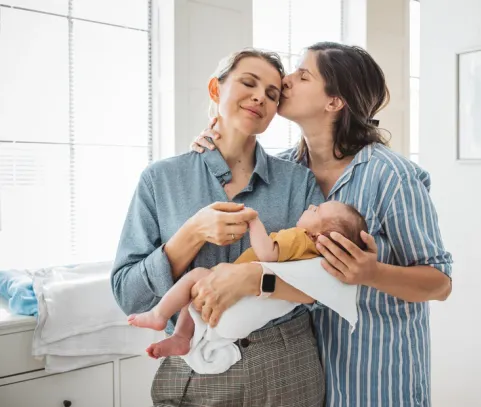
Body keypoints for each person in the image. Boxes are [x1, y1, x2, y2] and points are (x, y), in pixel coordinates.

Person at [191, 42, 453, 407]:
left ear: (334, 102)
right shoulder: (283, 172)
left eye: (303, 74)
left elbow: (440, 284)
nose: (286, 80)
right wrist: (211, 142)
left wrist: (371, 272)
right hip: (302, 378)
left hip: (378, 379)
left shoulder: (392, 177)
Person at [111, 49, 327, 407]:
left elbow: (322, 286)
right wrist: (191, 233)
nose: (261, 96)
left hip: (287, 369)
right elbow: (129, 296)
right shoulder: (160, 180)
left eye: (273, 94)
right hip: (194, 371)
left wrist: (256, 281)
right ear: (216, 89)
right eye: (248, 82)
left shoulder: (298, 182)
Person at [127, 201, 368, 360]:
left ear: (319, 236)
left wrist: (254, 223)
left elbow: (268, 254)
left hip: (240, 291)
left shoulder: (300, 238)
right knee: (194, 293)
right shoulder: (313, 257)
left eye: (318, 211)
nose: (312, 206)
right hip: (249, 301)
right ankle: (181, 338)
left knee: (195, 276)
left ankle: (161, 316)